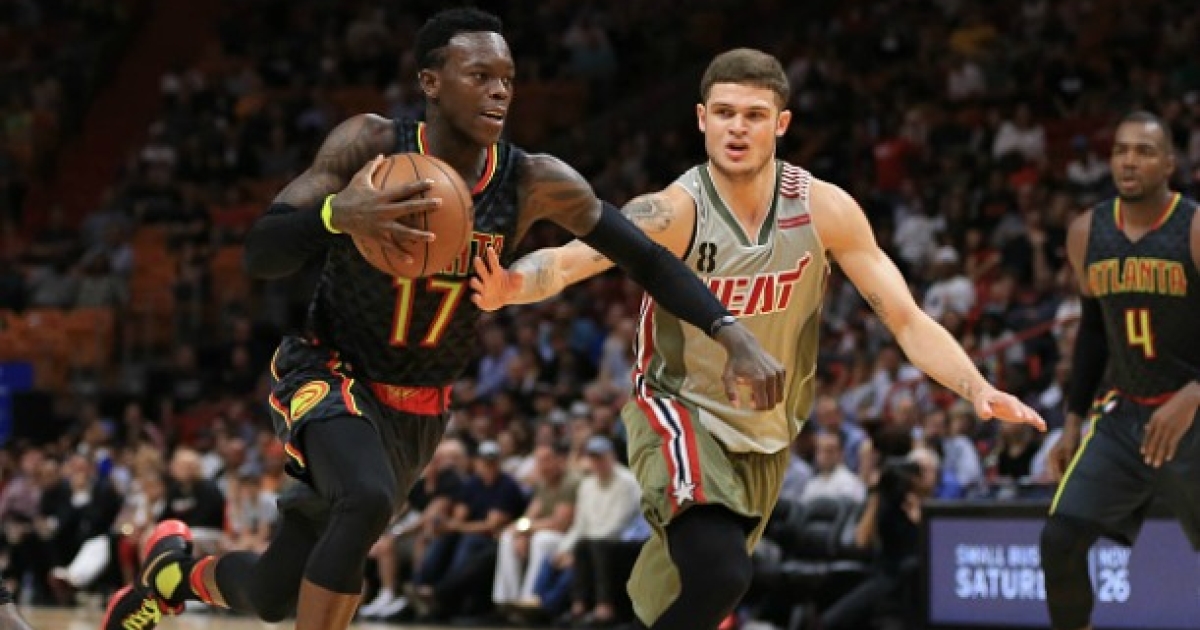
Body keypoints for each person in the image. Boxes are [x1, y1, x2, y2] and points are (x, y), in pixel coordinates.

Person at [101, 9, 785, 630]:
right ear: (430, 82)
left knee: (275, 592)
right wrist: (337, 215)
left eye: (508, 79)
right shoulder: (369, 146)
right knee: (365, 498)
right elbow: (261, 251)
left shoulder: (532, 180)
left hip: (419, 409)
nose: (500, 91)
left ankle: (171, 573)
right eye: (479, 75)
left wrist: (731, 333)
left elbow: (647, 258)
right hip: (330, 370)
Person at [472, 48, 1045, 629]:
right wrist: (509, 287)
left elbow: (906, 318)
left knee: (697, 596)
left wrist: (976, 387)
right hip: (678, 407)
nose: (737, 128)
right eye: (724, 113)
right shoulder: (675, 210)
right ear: (701, 119)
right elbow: (568, 261)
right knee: (722, 573)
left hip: (767, 432)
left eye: (754, 115)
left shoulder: (824, 208)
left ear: (782, 123)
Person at [1040, 111, 1200, 630]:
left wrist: (1193, 394)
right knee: (1059, 540)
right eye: (1121, 150)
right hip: (1125, 418)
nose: (1129, 161)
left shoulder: (1194, 228)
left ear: (1170, 165)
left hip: (1192, 418)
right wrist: (1072, 419)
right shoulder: (1087, 232)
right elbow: (1093, 332)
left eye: (1144, 152)